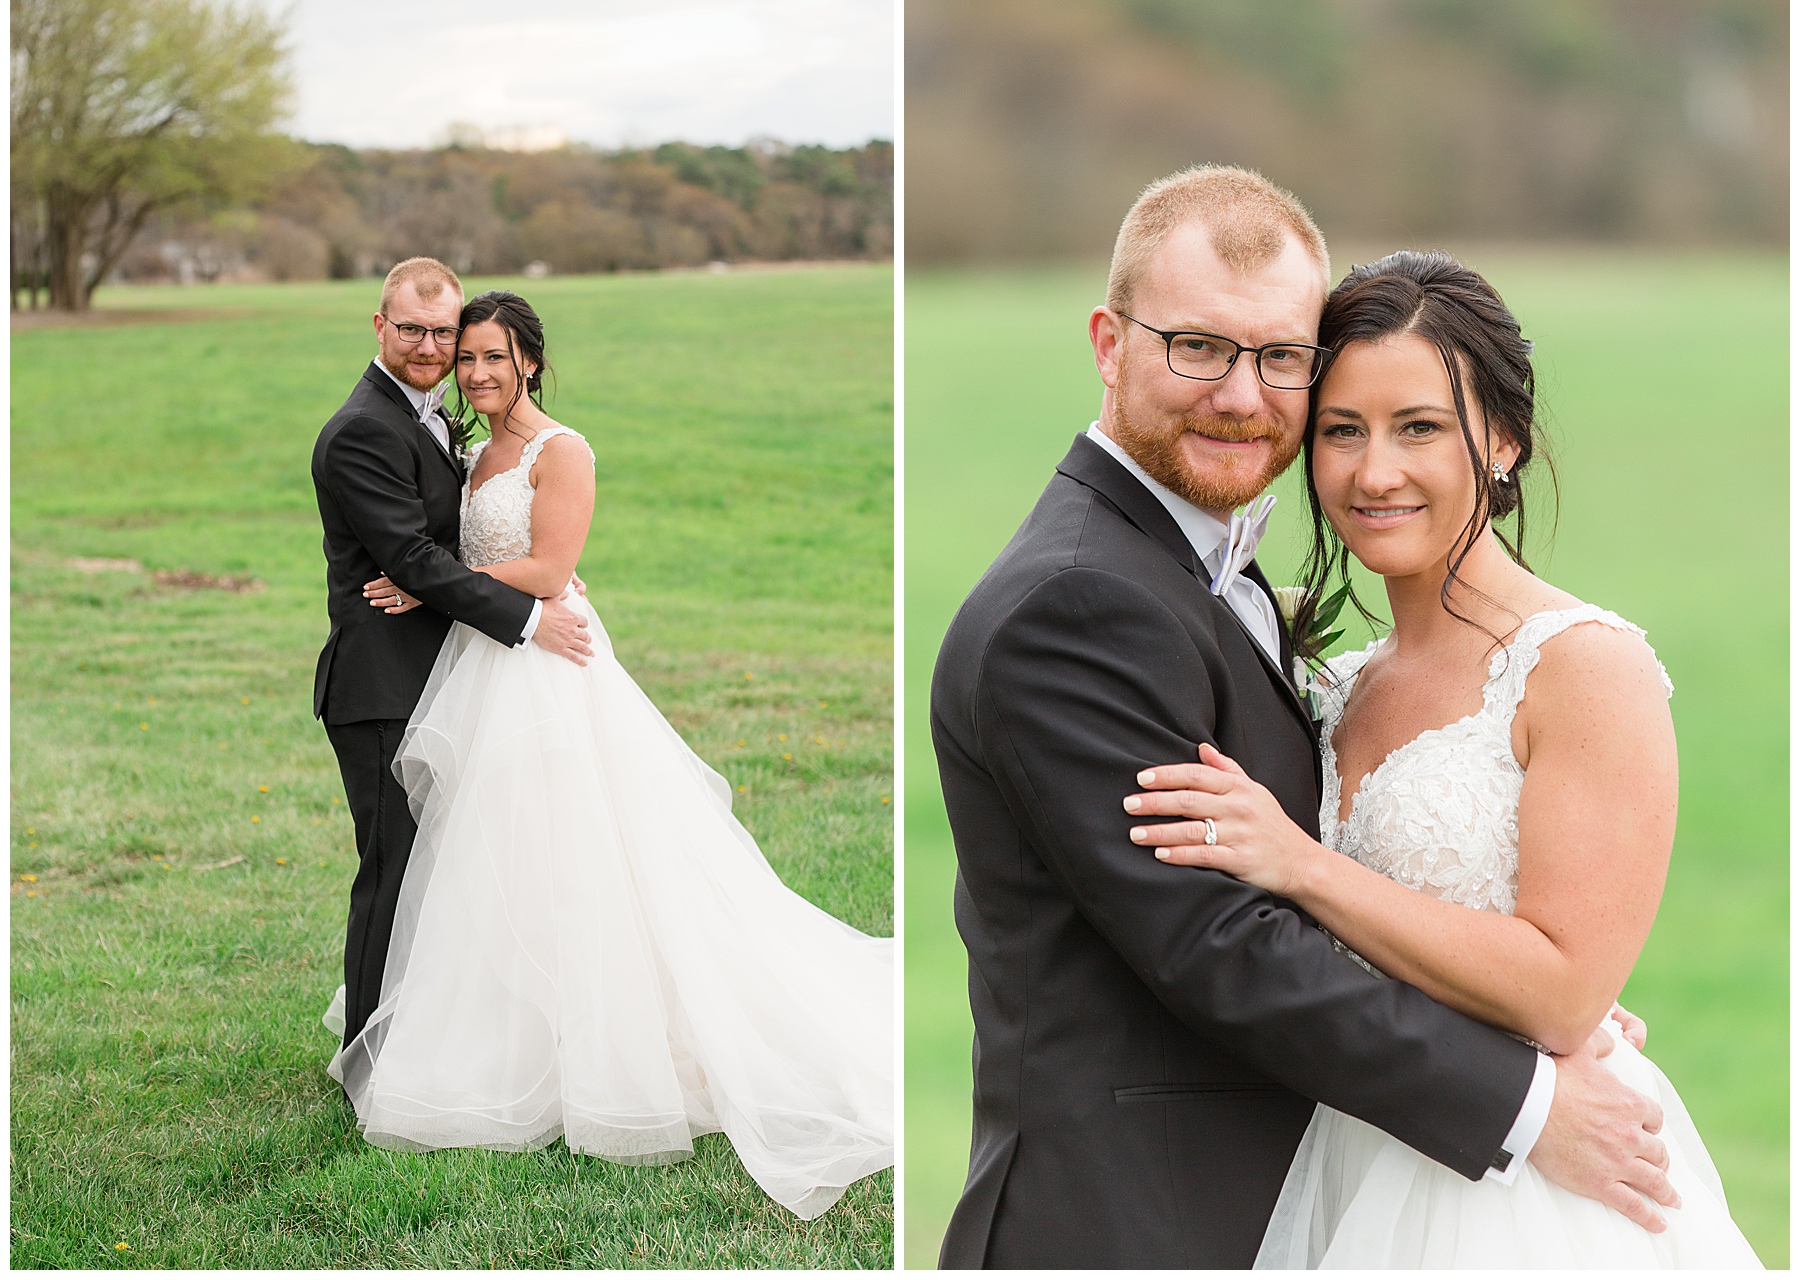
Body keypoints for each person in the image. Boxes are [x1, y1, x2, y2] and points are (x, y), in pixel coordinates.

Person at [929, 166, 1675, 1268]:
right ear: (1107, 340)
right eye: (1198, 346)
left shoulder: (1206, 583)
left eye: (1281, 358)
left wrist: (1526, 1005)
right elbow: (1221, 941)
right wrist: (1521, 1096)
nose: (1242, 394)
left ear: (1502, 440)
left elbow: (1479, 940)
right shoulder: (1079, 602)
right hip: (1139, 1218)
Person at [1123, 250, 1761, 1267]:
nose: (1375, 472)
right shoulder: (1335, 685)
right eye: (1342, 431)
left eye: (1418, 426)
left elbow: (1561, 991)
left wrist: (1299, 861)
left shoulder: (1584, 667)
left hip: (1528, 1190)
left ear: (1503, 439)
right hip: (1358, 1141)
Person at [325, 289, 893, 1221]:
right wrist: (453, 591)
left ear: (531, 362)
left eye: (494, 357)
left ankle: (599, 1048)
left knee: (578, 850)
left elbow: (549, 571)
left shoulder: (564, 450)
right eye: (466, 357)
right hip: (486, 661)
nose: (475, 372)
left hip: (549, 661)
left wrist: (434, 590)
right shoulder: (470, 454)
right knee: (489, 857)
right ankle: (503, 1028)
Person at [311, 258, 594, 1054]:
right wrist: (525, 616)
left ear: (525, 360)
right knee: (394, 877)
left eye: (452, 336)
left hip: (455, 676)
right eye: (417, 331)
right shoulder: (366, 426)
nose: (440, 352)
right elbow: (410, 554)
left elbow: (456, 558)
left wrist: (448, 585)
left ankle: (454, 1040)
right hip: (384, 688)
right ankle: (366, 1054)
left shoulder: (439, 420)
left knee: (466, 870)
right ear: (380, 326)